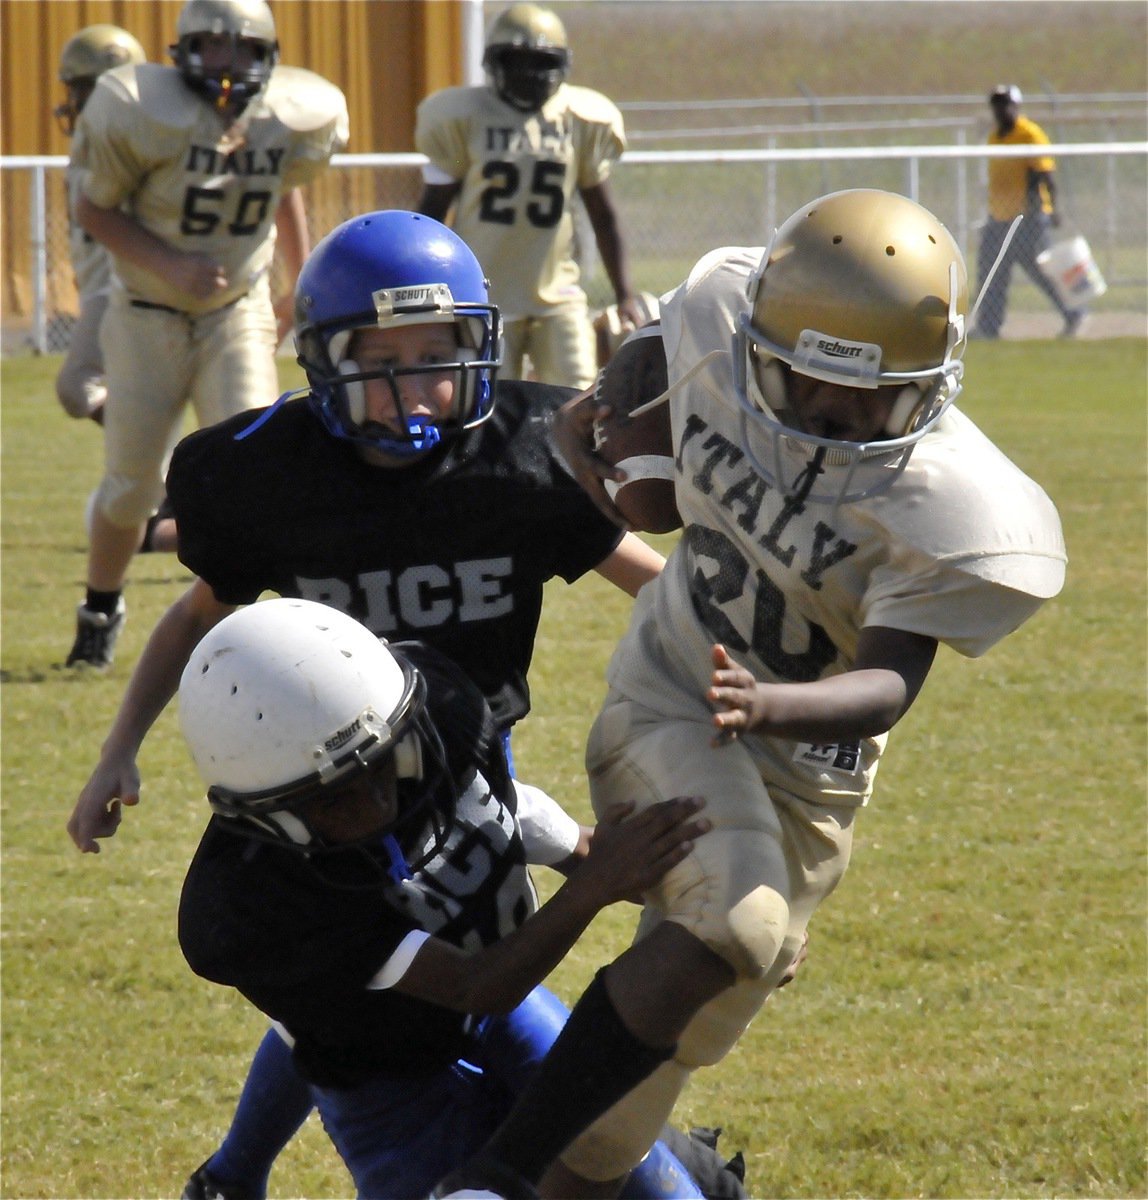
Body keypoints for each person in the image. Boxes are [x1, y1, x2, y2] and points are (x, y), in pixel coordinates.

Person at [435, 188, 1068, 1199]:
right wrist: (612, 437)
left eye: (872, 399)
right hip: (674, 693)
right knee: (733, 927)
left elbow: (885, 682)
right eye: (810, 386)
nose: (835, 420)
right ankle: (488, 1177)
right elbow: (640, 404)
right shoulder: (715, 326)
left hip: (807, 776)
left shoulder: (947, 504)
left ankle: (596, 1167)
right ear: (757, 348)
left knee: (638, 1094)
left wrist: (773, 707)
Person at [65, 210, 668, 1200]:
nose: (412, 385)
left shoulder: (523, 451)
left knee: (399, 970)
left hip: (469, 764)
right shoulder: (265, 474)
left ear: (478, 344)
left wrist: (739, 659)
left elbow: (642, 574)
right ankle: (240, 1168)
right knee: (353, 984)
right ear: (320, 361)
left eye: (436, 355)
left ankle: (234, 1173)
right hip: (335, 790)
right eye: (378, 359)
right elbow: (195, 611)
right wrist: (116, 748)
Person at [172, 597, 730, 1200]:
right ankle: (231, 1177)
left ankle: (692, 1165)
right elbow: (473, 984)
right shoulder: (249, 899)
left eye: (381, 766)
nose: (374, 803)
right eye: (333, 799)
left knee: (652, 1183)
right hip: (386, 1078)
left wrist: (711, 911)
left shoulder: (438, 705)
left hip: (500, 1008)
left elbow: (498, 803)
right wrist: (592, 888)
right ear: (267, 817)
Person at [64, 0, 348, 669]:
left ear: (268, 56)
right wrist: (172, 265)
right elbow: (92, 208)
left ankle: (257, 625)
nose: (227, 64)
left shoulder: (282, 115)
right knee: (131, 486)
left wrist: (297, 271)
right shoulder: (138, 111)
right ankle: (100, 607)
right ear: (182, 51)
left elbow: (281, 182)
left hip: (235, 312)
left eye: (244, 48)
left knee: (255, 467)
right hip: (144, 312)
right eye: (212, 46)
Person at [415, 2, 643, 391]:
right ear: (494, 62)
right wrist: (423, 283)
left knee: (576, 398)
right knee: (486, 407)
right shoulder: (464, 115)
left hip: (558, 296)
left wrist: (625, 294)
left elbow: (603, 214)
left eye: (540, 62)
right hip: (483, 294)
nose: (528, 74)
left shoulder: (578, 118)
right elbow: (432, 214)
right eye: (517, 62)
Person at [54, 26, 182, 559]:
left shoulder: (131, 144)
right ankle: (167, 479)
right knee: (113, 395)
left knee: (77, 383)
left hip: (127, 285)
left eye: (82, 88)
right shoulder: (90, 150)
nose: (75, 101)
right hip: (107, 288)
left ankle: (169, 470)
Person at [972, 83, 1085, 340]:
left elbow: (1046, 175)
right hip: (999, 217)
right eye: (997, 105)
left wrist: (1051, 210)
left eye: (1006, 104)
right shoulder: (995, 137)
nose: (1001, 110)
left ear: (1016, 106)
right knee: (992, 271)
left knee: (1041, 270)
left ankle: (1074, 313)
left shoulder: (1030, 134)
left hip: (1028, 217)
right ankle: (989, 327)